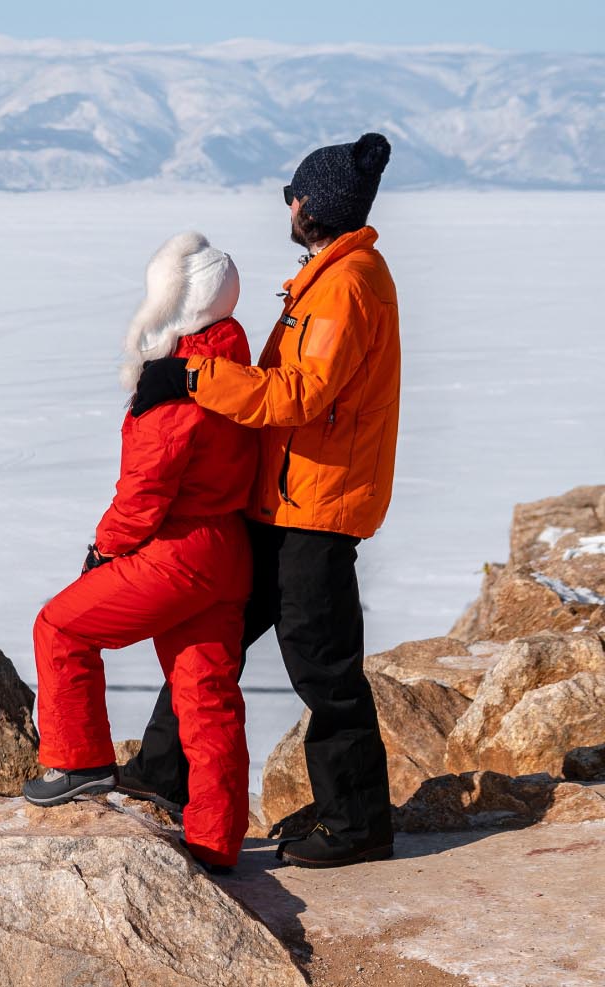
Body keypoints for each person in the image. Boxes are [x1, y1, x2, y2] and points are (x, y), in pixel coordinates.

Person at [121, 132, 400, 868]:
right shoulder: (326, 277)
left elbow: (300, 395)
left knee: (323, 667)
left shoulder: (346, 286)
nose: (289, 205)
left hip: (315, 508)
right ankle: (159, 773)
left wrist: (191, 379)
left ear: (315, 206)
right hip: (281, 502)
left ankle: (358, 823)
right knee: (211, 633)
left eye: (293, 195)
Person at [23, 231, 256, 874]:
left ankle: (78, 762)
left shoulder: (173, 387)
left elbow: (144, 491)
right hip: (228, 551)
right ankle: (216, 840)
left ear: (174, 305)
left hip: (178, 551)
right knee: (207, 697)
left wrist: (104, 551)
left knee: (60, 627)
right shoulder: (236, 368)